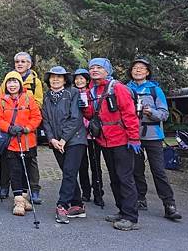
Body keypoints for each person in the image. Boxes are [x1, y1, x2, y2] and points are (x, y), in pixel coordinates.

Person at [82, 58, 141, 231]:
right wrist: (84, 108)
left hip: (122, 140)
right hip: (104, 141)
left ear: (107, 70)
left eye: (99, 67)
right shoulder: (92, 90)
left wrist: (134, 138)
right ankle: (122, 210)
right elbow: (91, 114)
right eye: (92, 68)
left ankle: (131, 217)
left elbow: (129, 114)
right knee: (114, 178)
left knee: (125, 178)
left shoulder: (118, 88)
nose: (94, 70)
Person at [127, 58, 181, 220]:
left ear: (147, 72)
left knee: (158, 171)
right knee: (136, 169)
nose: (137, 70)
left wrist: (152, 112)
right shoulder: (125, 89)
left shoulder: (155, 90)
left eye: (141, 68)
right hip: (133, 135)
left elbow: (164, 114)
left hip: (153, 136)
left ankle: (169, 204)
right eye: (135, 68)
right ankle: (140, 198)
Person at [41, 66, 87, 224]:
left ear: (65, 80)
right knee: (69, 172)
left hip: (75, 139)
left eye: (59, 77)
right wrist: (52, 139)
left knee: (69, 171)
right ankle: (78, 205)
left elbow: (75, 118)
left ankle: (62, 205)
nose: (55, 79)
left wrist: (63, 139)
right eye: (53, 77)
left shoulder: (73, 93)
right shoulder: (47, 97)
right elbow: (45, 120)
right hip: (56, 141)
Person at [0, 71, 42, 216]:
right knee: (15, 170)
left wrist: (27, 128)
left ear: (20, 84)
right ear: (5, 84)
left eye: (15, 82)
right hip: (11, 142)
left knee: (27, 169)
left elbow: (37, 117)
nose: (12, 85)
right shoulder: (1, 100)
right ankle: (18, 200)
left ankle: (24, 197)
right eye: (9, 82)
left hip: (28, 141)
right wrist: (9, 128)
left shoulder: (28, 99)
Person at [6, 51, 43, 204]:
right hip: (11, 130)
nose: (20, 64)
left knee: (31, 161)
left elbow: (38, 103)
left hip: (28, 127)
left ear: (29, 64)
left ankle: (33, 189)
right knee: (11, 160)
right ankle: (12, 190)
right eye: (17, 62)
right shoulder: (9, 79)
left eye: (23, 61)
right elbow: (3, 100)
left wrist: (26, 122)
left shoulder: (35, 81)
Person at [74, 68, 105, 207]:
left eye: (82, 78)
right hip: (78, 134)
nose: (79, 81)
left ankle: (98, 193)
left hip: (92, 133)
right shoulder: (73, 94)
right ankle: (85, 192)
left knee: (95, 165)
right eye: (76, 79)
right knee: (82, 165)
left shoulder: (93, 93)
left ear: (87, 80)